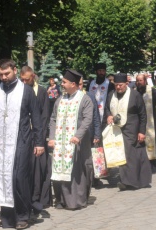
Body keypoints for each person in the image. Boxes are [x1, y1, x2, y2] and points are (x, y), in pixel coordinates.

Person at [0, 59, 43, 229]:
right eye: (0, 74)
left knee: (18, 178)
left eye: (6, 73)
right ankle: (7, 218)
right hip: (1, 144)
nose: (4, 77)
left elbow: (36, 117)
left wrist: (39, 142)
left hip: (22, 141)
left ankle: (23, 215)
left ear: (15, 70)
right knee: (2, 178)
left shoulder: (26, 91)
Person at [49, 69, 94, 210]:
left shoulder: (84, 99)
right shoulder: (60, 100)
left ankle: (76, 201)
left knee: (76, 173)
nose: (61, 84)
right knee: (60, 170)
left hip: (77, 144)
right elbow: (53, 119)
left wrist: (78, 135)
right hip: (61, 145)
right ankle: (61, 200)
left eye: (64, 82)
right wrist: (51, 137)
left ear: (73, 84)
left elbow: (87, 119)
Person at [103, 73, 152, 190]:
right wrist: (109, 115)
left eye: (120, 85)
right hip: (116, 129)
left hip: (132, 128)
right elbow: (107, 108)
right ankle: (127, 180)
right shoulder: (111, 95)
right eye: (116, 85)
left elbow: (143, 114)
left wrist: (141, 131)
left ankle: (128, 181)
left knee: (130, 154)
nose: (118, 87)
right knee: (120, 152)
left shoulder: (135, 95)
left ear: (127, 83)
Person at [20, 66, 52, 213]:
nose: (24, 82)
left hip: (38, 136)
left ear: (33, 76)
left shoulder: (42, 91)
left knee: (40, 168)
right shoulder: (20, 91)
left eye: (27, 79)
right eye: (22, 79)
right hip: (25, 136)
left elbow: (45, 115)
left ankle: (39, 198)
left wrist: (40, 137)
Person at [136, 74, 156, 171]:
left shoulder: (152, 91)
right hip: (139, 123)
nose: (139, 83)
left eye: (140, 80)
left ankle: (154, 162)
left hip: (152, 122)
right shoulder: (135, 92)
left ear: (145, 81)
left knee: (154, 140)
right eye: (137, 81)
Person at [79, 77, 102, 190]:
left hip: (90, 133)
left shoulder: (90, 96)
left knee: (92, 158)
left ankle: (94, 179)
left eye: (80, 84)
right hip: (78, 135)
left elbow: (96, 116)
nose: (79, 87)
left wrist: (97, 134)